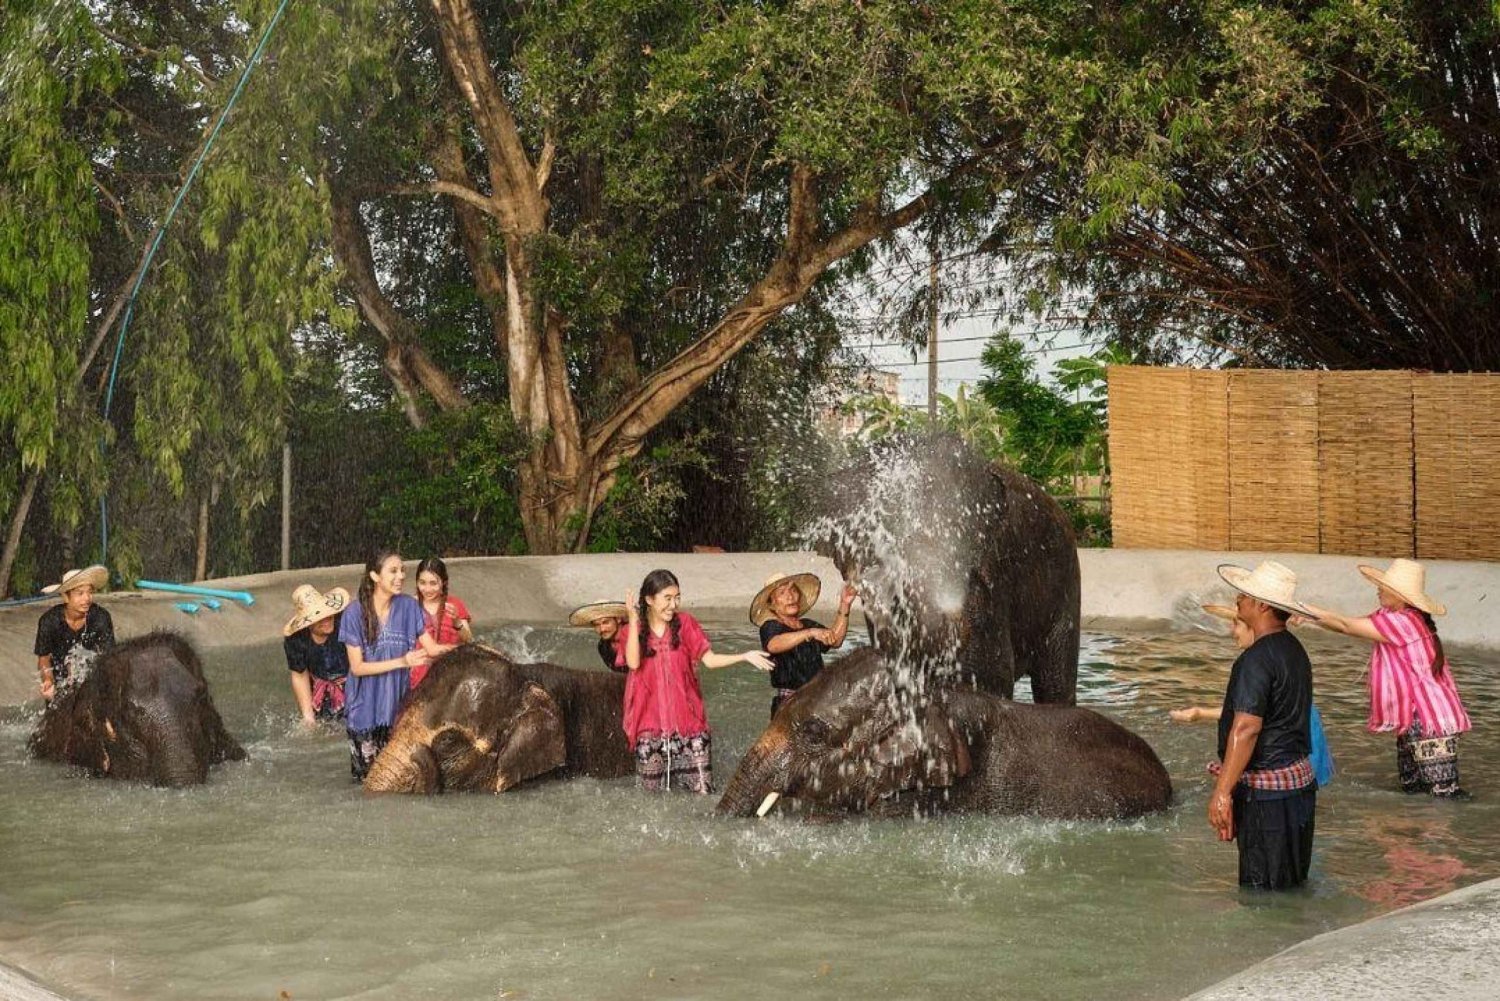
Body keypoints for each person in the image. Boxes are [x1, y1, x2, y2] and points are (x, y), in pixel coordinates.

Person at [1299, 558, 1470, 799]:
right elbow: (1346, 624)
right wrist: (1308, 616)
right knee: (1418, 793)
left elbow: (1347, 625)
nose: (1378, 588)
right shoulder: (1393, 616)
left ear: (1401, 596)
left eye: (1384, 586)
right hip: (1413, 718)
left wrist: (1304, 609)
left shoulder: (1405, 621)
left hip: (1429, 719)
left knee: (1442, 797)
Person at [1208, 560, 1318, 891]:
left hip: (1266, 798)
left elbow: (1246, 729)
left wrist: (1222, 793)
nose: (1238, 600)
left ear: (1262, 605)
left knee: (1262, 890)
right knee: (1292, 882)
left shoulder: (1255, 659)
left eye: (1244, 595)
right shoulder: (1294, 650)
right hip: (1298, 787)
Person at [621, 569, 774, 793]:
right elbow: (633, 663)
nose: (673, 605)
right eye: (667, 598)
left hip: (690, 727)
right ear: (649, 600)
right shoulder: (632, 631)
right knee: (651, 799)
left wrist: (744, 656)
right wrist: (633, 622)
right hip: (649, 728)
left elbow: (710, 660)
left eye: (677, 598)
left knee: (702, 792)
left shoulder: (686, 624)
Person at [1172, 603, 1334, 787]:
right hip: (1297, 747)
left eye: (1237, 625)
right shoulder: (1288, 649)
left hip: (1281, 757)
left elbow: (1249, 724)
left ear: (1253, 628)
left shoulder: (1257, 661)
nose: (1233, 632)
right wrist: (1200, 713)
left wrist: (1222, 792)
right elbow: (1256, 710)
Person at [338, 551, 447, 781]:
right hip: (363, 713)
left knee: (398, 781)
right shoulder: (354, 613)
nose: (401, 576)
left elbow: (432, 649)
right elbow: (357, 667)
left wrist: (470, 647)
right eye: (393, 571)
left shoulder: (409, 607)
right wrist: (402, 661)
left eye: (402, 570)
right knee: (366, 783)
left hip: (397, 712)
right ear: (375, 576)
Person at [749, 571, 857, 717]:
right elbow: (773, 645)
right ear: (772, 605)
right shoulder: (770, 626)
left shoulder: (807, 624)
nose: (790, 596)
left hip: (818, 698)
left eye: (793, 590)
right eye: (782, 593)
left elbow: (835, 640)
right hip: (789, 702)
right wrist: (809, 633)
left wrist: (845, 604)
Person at [33, 565, 115, 701]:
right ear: (65, 597)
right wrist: (48, 680)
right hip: (60, 682)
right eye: (80, 593)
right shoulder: (49, 621)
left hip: (92, 684)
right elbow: (44, 657)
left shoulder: (101, 618)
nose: (87, 598)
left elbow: (108, 657)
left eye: (89, 592)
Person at [282, 584, 353, 725]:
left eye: (328, 614)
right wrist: (308, 717)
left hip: (352, 680)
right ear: (308, 624)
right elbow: (299, 675)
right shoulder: (296, 640)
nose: (327, 620)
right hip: (320, 688)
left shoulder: (345, 623)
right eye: (319, 617)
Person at [412, 556, 472, 688]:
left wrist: (456, 621)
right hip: (416, 678)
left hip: (451, 676)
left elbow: (468, 639)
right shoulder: (409, 606)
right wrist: (461, 650)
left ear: (444, 582)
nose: (427, 589)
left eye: (433, 583)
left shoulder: (455, 604)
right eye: (422, 582)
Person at [568, 601, 630, 670]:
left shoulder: (638, 635)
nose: (602, 629)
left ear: (618, 619)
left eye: (606, 622)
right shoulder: (603, 646)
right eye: (597, 625)